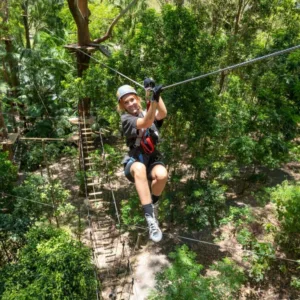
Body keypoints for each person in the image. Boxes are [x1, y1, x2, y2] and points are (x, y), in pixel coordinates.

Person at [117, 79, 168, 242]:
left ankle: (153, 203)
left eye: (132, 99)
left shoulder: (148, 112)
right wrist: (153, 100)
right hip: (135, 160)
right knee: (139, 168)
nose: (131, 104)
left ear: (137, 99)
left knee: (162, 175)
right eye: (127, 102)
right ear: (123, 106)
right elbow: (146, 122)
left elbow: (162, 114)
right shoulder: (126, 120)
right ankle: (150, 218)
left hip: (152, 159)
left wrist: (156, 96)